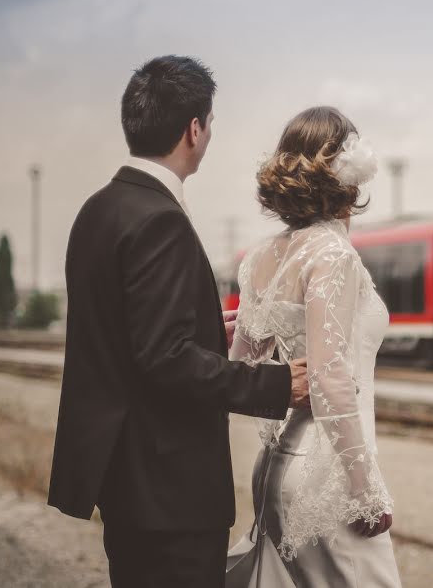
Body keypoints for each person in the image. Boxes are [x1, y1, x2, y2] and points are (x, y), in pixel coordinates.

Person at [47, 55, 310, 588]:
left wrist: (211, 333)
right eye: (209, 124)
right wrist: (279, 383)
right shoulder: (161, 219)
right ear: (194, 128)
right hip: (169, 487)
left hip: (126, 477)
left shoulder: (99, 209)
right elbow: (164, 360)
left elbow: (126, 334)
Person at [225, 106, 402, 587]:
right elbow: (330, 379)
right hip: (328, 479)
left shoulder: (261, 256)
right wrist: (366, 491)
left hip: (275, 469)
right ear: (350, 178)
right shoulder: (334, 254)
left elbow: (239, 367)